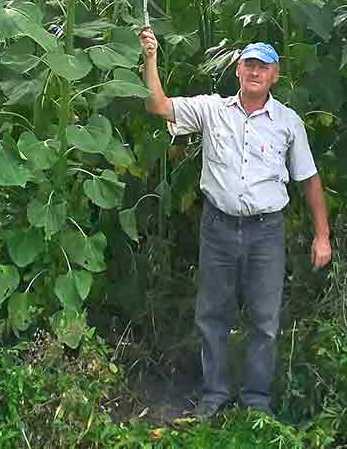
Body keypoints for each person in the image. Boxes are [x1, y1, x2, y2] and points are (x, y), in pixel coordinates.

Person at [138, 26, 331, 419]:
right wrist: (151, 57)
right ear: (238, 72)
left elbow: (309, 178)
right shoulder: (212, 110)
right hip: (219, 227)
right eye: (248, 65)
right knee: (212, 313)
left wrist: (322, 235)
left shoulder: (288, 122)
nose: (255, 71)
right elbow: (159, 106)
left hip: (266, 232)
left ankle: (256, 401)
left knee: (264, 318)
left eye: (263, 66)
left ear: (275, 75)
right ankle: (214, 394)